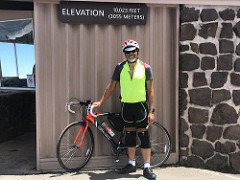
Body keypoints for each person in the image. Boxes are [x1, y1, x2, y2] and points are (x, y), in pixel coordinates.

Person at [93, 39, 156, 179]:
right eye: (128, 52)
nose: (131, 54)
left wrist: (151, 111)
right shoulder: (120, 67)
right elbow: (111, 87)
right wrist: (101, 101)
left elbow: (150, 91)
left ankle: (147, 167)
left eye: (133, 51)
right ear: (125, 54)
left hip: (140, 106)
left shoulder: (146, 67)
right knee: (130, 136)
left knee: (144, 135)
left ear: (137, 52)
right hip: (126, 106)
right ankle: (131, 164)